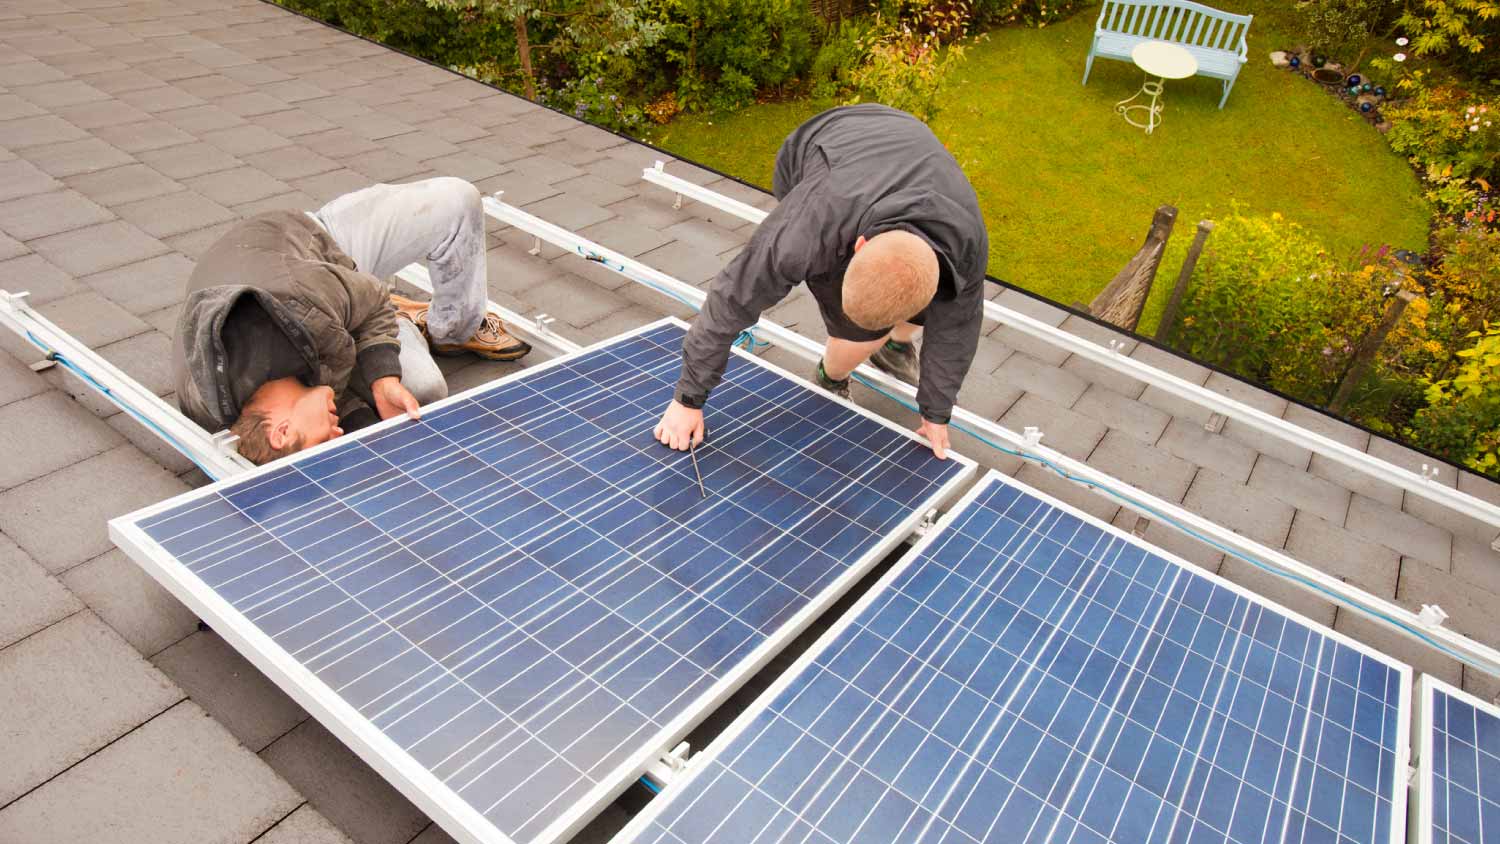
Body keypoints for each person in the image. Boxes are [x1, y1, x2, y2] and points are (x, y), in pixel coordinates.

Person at [653, 104, 989, 460]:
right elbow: (735, 295)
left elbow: (957, 329)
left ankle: (892, 345)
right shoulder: (810, 226)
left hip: (898, 156)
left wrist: (936, 412)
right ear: (857, 246)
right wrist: (688, 399)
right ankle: (834, 374)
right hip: (826, 146)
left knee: (902, 310)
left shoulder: (965, 248)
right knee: (858, 330)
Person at [173, 177, 531, 465]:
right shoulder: (220, 412)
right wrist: (376, 401)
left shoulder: (302, 302)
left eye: (325, 438)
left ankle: (454, 329)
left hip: (311, 240)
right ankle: (391, 315)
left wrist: (381, 368)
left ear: (280, 432)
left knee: (459, 200)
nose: (337, 433)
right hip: (325, 303)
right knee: (424, 391)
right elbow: (325, 385)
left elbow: (373, 299)